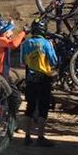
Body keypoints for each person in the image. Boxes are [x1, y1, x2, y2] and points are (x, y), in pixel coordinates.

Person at [21, 18, 58, 147]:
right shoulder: (46, 43)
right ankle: (40, 137)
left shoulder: (26, 43)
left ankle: (27, 136)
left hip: (30, 79)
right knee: (43, 108)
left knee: (29, 107)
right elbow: (54, 61)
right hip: (44, 78)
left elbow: (22, 61)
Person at [0, 14, 27, 79]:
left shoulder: (4, 40)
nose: (12, 32)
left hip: (4, 69)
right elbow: (14, 44)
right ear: (5, 32)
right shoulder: (1, 39)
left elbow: (15, 42)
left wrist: (23, 36)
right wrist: (23, 32)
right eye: (10, 30)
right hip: (1, 71)